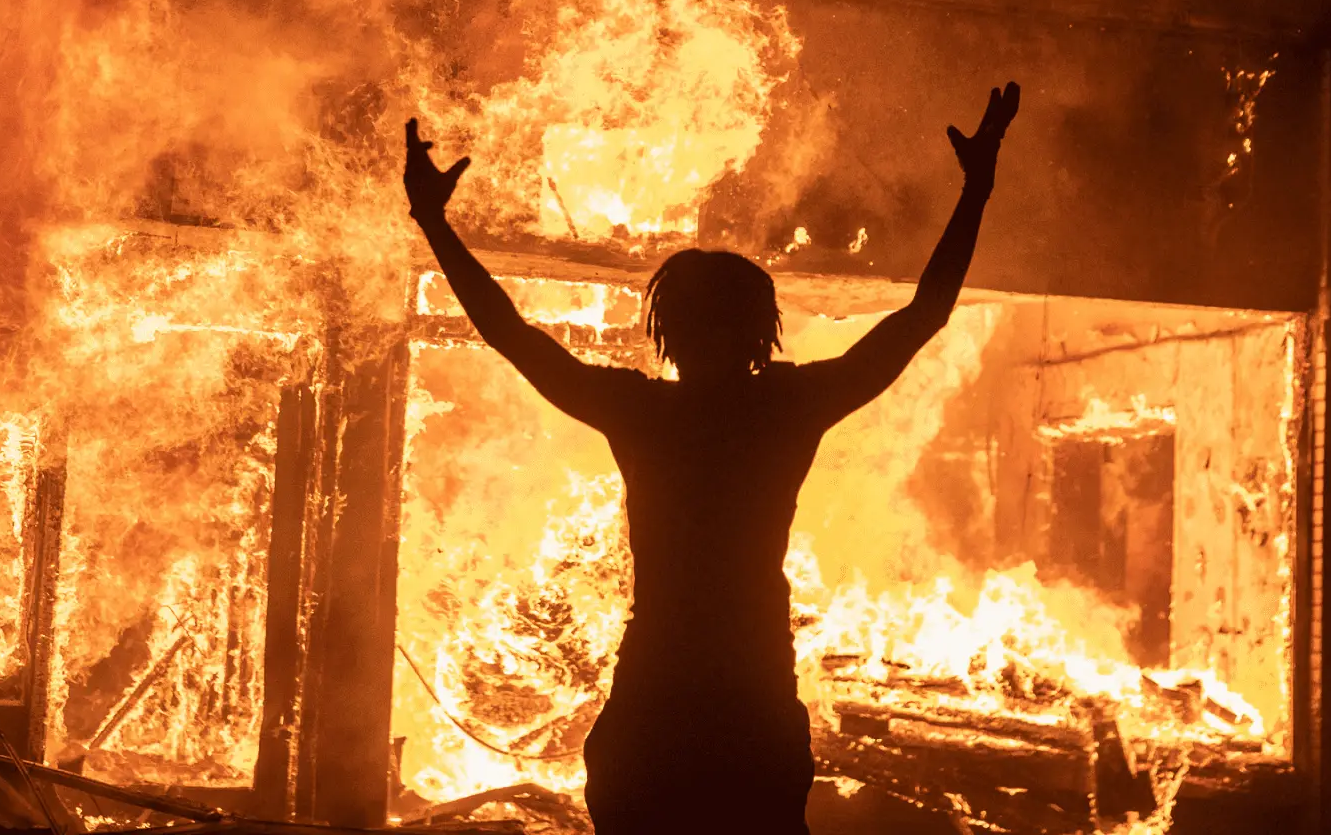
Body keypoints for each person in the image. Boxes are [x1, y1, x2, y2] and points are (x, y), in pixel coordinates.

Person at [403, 82, 1020, 835]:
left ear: (667, 331)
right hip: (752, 699)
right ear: (763, 328)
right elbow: (924, 314)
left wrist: (434, 223)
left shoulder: (641, 411)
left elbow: (510, 333)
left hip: (655, 699)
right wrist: (977, 189)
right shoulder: (789, 407)